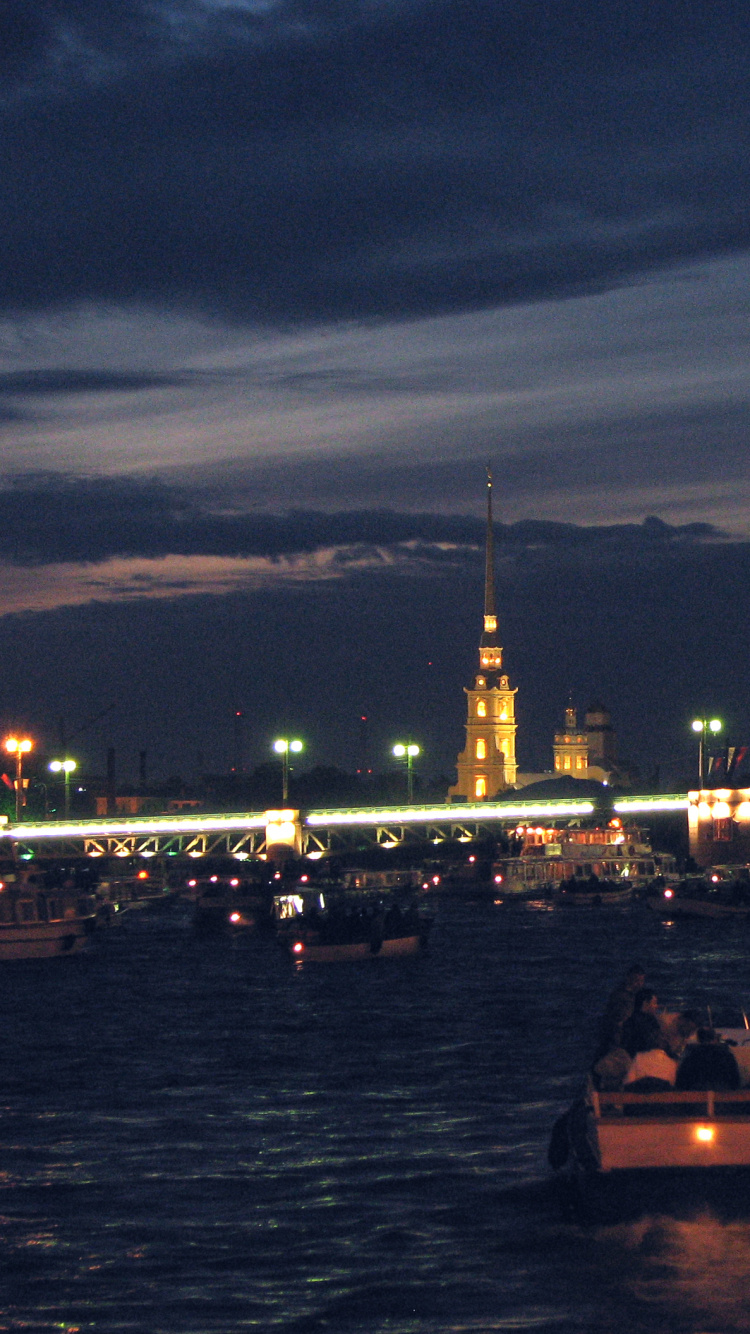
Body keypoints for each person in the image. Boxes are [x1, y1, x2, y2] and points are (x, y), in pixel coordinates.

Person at [594, 964, 646, 1059]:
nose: (639, 984)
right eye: (636, 980)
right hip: (618, 1039)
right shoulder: (621, 996)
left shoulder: (635, 996)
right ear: (629, 979)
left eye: (641, 981)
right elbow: (619, 1019)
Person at [675, 1028, 741, 1091]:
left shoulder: (690, 1056)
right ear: (715, 1038)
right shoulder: (726, 1056)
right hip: (723, 1096)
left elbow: (681, 1082)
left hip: (696, 1097)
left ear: (698, 1039)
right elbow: (735, 1081)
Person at [623, 1016, 678, 1090]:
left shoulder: (639, 1058)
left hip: (639, 1099)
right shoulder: (672, 1064)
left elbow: (628, 1083)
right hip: (662, 1100)